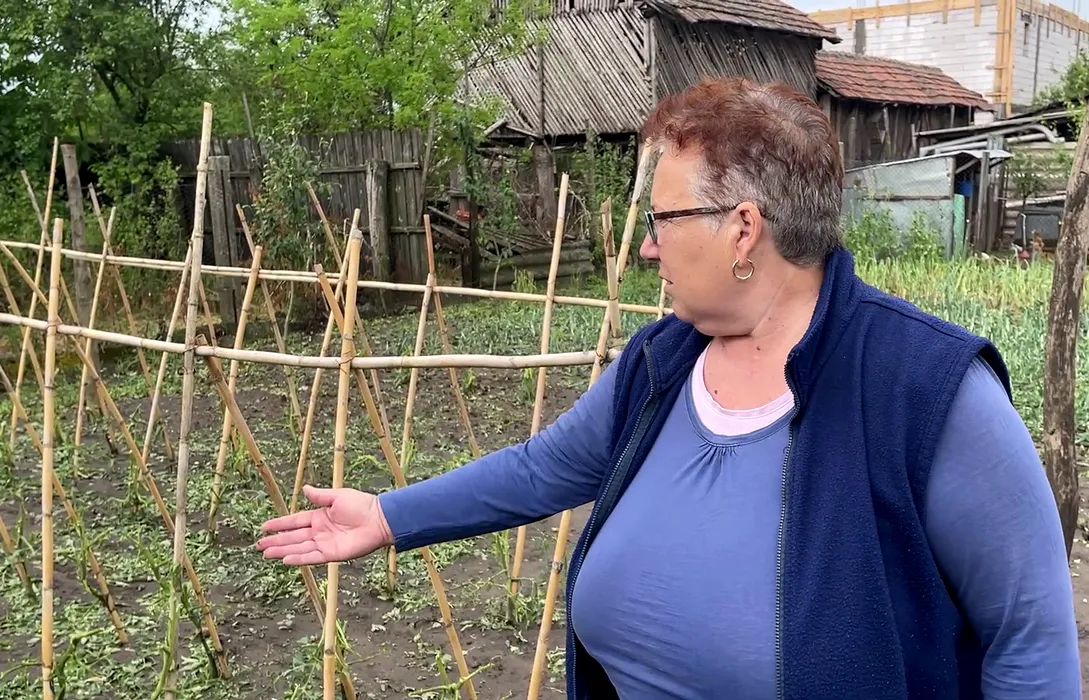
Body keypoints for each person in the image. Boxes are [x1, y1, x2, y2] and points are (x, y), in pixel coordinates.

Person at [256, 78, 1081, 699]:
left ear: (742, 230)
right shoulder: (663, 361)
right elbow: (543, 468)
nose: (647, 247)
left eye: (661, 219)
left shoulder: (927, 390)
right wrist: (389, 516)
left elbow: (1028, 639)